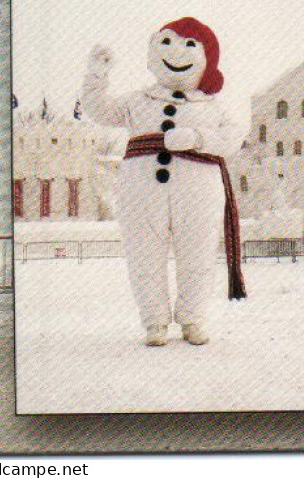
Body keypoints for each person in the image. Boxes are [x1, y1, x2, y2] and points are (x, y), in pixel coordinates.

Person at [81, 19, 251, 346]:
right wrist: (96, 75)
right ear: (152, 51)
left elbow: (233, 137)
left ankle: (192, 319)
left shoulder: (212, 107)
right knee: (144, 257)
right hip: (141, 192)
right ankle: (154, 322)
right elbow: (98, 110)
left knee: (198, 257)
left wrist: (197, 138)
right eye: (168, 42)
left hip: (198, 193)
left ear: (206, 59)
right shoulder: (137, 101)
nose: (176, 52)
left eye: (189, 45)